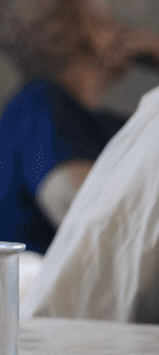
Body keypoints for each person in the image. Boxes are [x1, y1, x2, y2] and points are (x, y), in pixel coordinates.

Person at [0, 0, 159, 253]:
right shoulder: (39, 109)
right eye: (104, 13)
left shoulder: (76, 117)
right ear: (85, 23)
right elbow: (98, 222)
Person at [22, 81, 159, 323]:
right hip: (63, 318)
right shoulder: (41, 102)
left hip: (68, 316)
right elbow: (69, 202)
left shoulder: (118, 118)